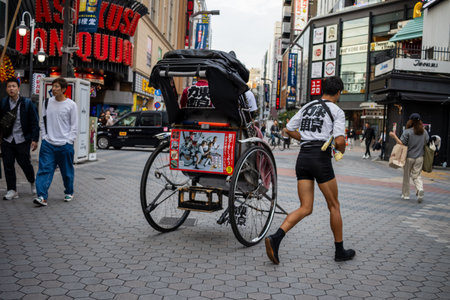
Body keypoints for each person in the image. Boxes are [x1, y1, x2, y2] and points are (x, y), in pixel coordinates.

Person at [265, 76, 355, 264]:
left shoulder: (307, 107)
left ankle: (276, 238)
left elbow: (288, 130)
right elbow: (339, 141)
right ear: (338, 92)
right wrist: (341, 151)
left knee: (305, 207)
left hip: (303, 158)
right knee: (334, 205)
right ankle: (340, 251)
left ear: (323, 90)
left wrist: (306, 139)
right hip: (320, 159)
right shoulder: (337, 111)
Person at [33, 77, 78, 207]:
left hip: (65, 145)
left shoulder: (71, 105)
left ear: (64, 89)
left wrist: (69, 141)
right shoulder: (47, 102)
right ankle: (42, 196)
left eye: (57, 86)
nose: (54, 88)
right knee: (44, 170)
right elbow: (42, 121)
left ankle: (69, 191)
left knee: (67, 172)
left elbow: (74, 126)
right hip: (48, 144)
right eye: (53, 86)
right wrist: (45, 137)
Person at [0, 77, 39, 200]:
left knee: (25, 164)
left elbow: (34, 122)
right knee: (8, 165)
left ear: (18, 88)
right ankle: (12, 190)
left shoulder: (27, 103)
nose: (11, 89)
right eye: (9, 87)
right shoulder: (3, 103)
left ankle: (33, 182)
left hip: (22, 140)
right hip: (7, 140)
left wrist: (35, 139)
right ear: (6, 89)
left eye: (13, 86)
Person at [389, 113, 428, 203]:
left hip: (408, 157)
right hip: (420, 157)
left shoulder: (407, 132)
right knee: (416, 175)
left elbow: (402, 143)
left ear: (410, 121)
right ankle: (420, 189)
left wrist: (394, 136)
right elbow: (426, 143)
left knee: (406, 176)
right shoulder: (424, 132)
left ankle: (406, 195)